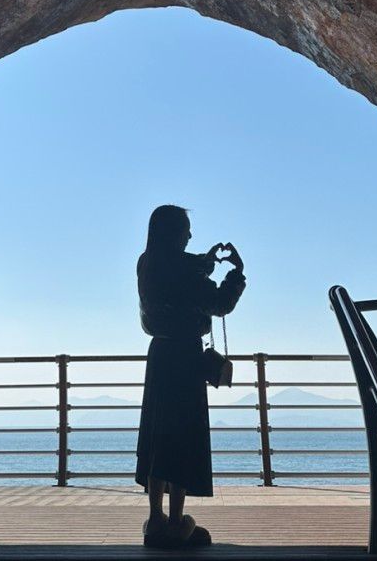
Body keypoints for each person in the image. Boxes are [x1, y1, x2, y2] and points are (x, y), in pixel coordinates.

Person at [135, 204, 246, 549]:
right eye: (186, 229)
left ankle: (155, 518)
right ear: (174, 233)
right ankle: (177, 522)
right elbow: (220, 303)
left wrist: (207, 260)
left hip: (160, 356)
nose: (190, 235)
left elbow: (184, 266)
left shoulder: (148, 263)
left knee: (158, 435)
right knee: (182, 437)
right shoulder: (186, 272)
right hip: (185, 357)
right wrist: (236, 273)